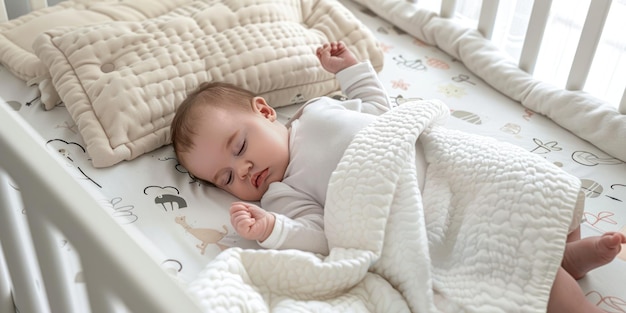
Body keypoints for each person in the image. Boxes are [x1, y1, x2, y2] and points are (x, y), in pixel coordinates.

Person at [170, 41, 626, 313]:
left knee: (531, 189)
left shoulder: (318, 111)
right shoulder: (281, 196)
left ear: (266, 112)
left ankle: (566, 254)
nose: (244, 171)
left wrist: (351, 68)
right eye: (226, 177)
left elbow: (378, 107)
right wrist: (271, 230)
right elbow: (319, 237)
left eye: (240, 147)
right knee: (512, 256)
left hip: (452, 172)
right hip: (425, 217)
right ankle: (565, 289)